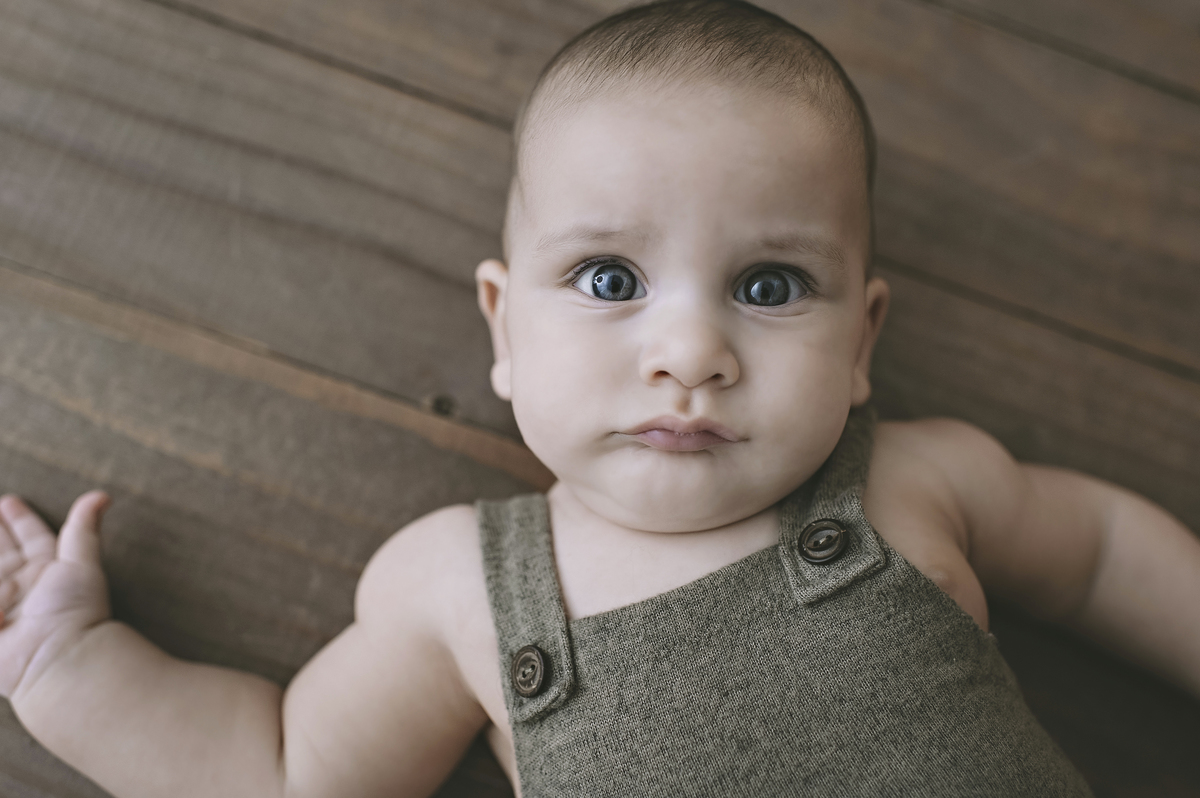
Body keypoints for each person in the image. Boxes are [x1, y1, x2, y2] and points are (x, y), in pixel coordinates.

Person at [1, 1, 1197, 796]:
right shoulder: (457, 589)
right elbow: (283, 772)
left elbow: (1093, 555)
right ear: (503, 324)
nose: (690, 351)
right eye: (609, 278)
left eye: (770, 285)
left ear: (862, 339)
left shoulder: (912, 481)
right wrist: (69, 667)